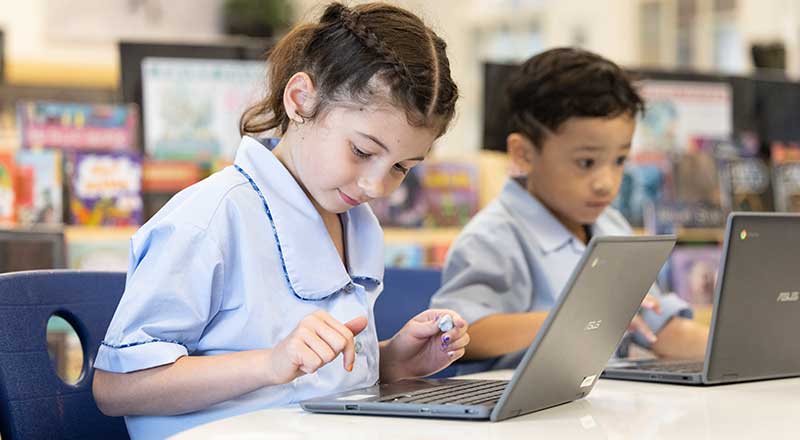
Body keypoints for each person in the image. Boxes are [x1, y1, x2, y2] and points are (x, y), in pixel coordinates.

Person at [92, 3, 467, 438]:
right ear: (300, 100)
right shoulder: (210, 219)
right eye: (362, 152)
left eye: (401, 168)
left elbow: (318, 382)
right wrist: (270, 363)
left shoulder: (358, 225)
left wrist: (391, 360)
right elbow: (116, 388)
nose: (375, 186)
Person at [430, 47, 708, 371]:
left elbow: (659, 327)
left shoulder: (612, 226)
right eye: (585, 162)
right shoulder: (491, 238)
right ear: (523, 154)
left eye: (619, 160)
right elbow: (466, 333)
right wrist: (579, 316)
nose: (605, 182)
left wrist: (737, 351)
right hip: (530, 414)